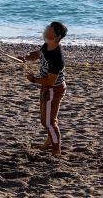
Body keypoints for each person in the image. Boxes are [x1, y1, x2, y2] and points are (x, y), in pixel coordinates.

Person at [21, 21, 68, 157]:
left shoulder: (57, 58)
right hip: (47, 88)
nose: (45, 33)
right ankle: (49, 140)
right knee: (46, 119)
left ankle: (56, 150)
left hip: (54, 89)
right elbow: (38, 54)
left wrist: (34, 80)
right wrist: (26, 58)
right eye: (46, 30)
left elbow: (50, 80)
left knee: (49, 121)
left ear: (56, 38)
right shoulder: (47, 46)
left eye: (48, 32)